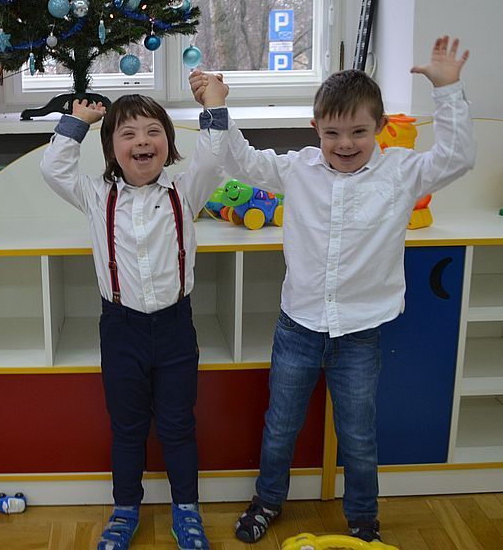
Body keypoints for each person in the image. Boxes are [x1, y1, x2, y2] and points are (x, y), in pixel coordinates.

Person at [189, 35, 474, 544]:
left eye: (359, 132)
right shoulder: (298, 168)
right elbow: (242, 162)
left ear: (380, 128)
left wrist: (447, 89)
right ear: (315, 128)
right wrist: (217, 106)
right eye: (333, 133)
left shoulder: (401, 173)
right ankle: (267, 501)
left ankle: (363, 519)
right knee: (281, 425)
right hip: (297, 327)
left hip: (360, 333)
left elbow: (457, 157)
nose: (345, 144)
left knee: (358, 435)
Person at [41, 94, 228, 550]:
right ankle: (125, 509)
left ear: (168, 142)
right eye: (128, 134)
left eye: (152, 132)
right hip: (121, 329)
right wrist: (76, 123)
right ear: (111, 149)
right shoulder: (96, 196)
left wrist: (214, 104)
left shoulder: (185, 191)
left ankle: (187, 509)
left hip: (175, 328)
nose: (142, 141)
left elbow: (213, 157)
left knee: (178, 425)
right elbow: (53, 170)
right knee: (127, 427)